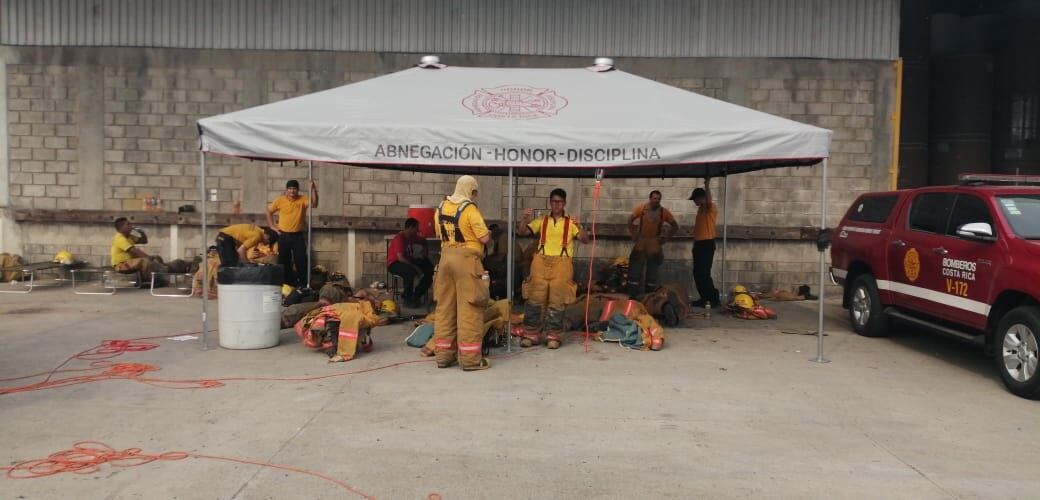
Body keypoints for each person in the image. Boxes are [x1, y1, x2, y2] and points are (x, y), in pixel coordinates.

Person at [431, 175, 492, 371]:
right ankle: (470, 360)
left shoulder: (440, 208)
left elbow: (438, 234)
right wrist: (489, 233)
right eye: (474, 192)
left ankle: (443, 356)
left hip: (445, 259)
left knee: (444, 308)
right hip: (466, 261)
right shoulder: (469, 209)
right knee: (470, 309)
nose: (475, 197)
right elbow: (483, 238)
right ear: (470, 190)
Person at [517, 188, 589, 349]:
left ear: (564, 203)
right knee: (535, 297)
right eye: (553, 201)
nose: (556, 205)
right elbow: (522, 232)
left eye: (559, 202)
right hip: (540, 262)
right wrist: (524, 219)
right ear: (550, 202)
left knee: (557, 300)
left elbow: (585, 240)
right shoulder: (541, 221)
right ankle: (531, 333)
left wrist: (580, 226)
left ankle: (554, 335)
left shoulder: (571, 223)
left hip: (562, 264)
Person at [266, 179, 319, 288]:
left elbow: (314, 204)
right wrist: (272, 226)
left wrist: (313, 189)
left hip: (297, 236)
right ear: (286, 190)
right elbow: (268, 211)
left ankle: (303, 285)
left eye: (294, 188)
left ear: (298, 190)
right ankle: (286, 285)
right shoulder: (280, 200)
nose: (292, 191)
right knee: (283, 262)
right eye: (290, 188)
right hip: (283, 235)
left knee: (301, 261)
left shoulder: (302, 199)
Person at [627, 190, 679, 297]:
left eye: (659, 199)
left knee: (652, 273)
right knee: (634, 271)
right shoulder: (642, 209)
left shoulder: (664, 212)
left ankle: (649, 297)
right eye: (655, 198)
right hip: (641, 242)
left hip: (654, 244)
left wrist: (666, 239)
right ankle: (632, 296)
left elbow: (675, 226)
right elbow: (629, 219)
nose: (657, 200)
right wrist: (633, 235)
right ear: (650, 198)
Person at [387, 218, 433, 307]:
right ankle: (407, 298)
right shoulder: (399, 238)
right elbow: (400, 258)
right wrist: (415, 267)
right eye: (416, 228)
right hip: (394, 263)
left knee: (429, 268)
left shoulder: (413, 237)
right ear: (411, 227)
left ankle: (416, 295)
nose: (418, 230)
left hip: (407, 260)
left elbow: (424, 241)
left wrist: (424, 252)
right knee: (410, 271)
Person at [689, 178, 720, 307]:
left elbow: (709, 200)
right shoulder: (700, 210)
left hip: (707, 244)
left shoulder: (709, 208)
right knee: (697, 273)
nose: (694, 201)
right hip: (699, 245)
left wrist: (707, 184)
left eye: (695, 199)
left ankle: (713, 298)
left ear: (701, 198)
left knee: (704, 273)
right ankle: (703, 298)